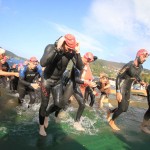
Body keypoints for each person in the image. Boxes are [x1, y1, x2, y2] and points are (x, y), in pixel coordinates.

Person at [39, 34, 83, 136]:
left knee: (59, 104)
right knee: (44, 104)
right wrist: (58, 49)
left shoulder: (70, 53)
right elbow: (42, 63)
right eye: (68, 47)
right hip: (46, 80)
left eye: (72, 48)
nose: (69, 50)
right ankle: (41, 127)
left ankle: (46, 115)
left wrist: (78, 52)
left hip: (58, 82)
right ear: (62, 42)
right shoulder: (51, 47)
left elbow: (80, 66)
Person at [108, 49, 149, 131]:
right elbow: (118, 77)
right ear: (138, 55)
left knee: (125, 109)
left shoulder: (141, 67)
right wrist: (118, 91)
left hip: (128, 88)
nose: (145, 59)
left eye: (146, 58)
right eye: (144, 56)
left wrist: (141, 82)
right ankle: (111, 121)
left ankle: (110, 111)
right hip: (122, 86)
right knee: (122, 108)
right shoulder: (129, 65)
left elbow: (136, 76)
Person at [60, 52, 97, 131]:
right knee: (62, 102)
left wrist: (89, 84)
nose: (88, 62)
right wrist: (87, 82)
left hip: (76, 87)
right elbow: (76, 79)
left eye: (90, 61)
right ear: (84, 57)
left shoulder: (86, 64)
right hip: (69, 85)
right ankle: (50, 113)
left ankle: (76, 122)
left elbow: (81, 79)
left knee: (82, 104)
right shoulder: (77, 63)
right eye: (87, 60)